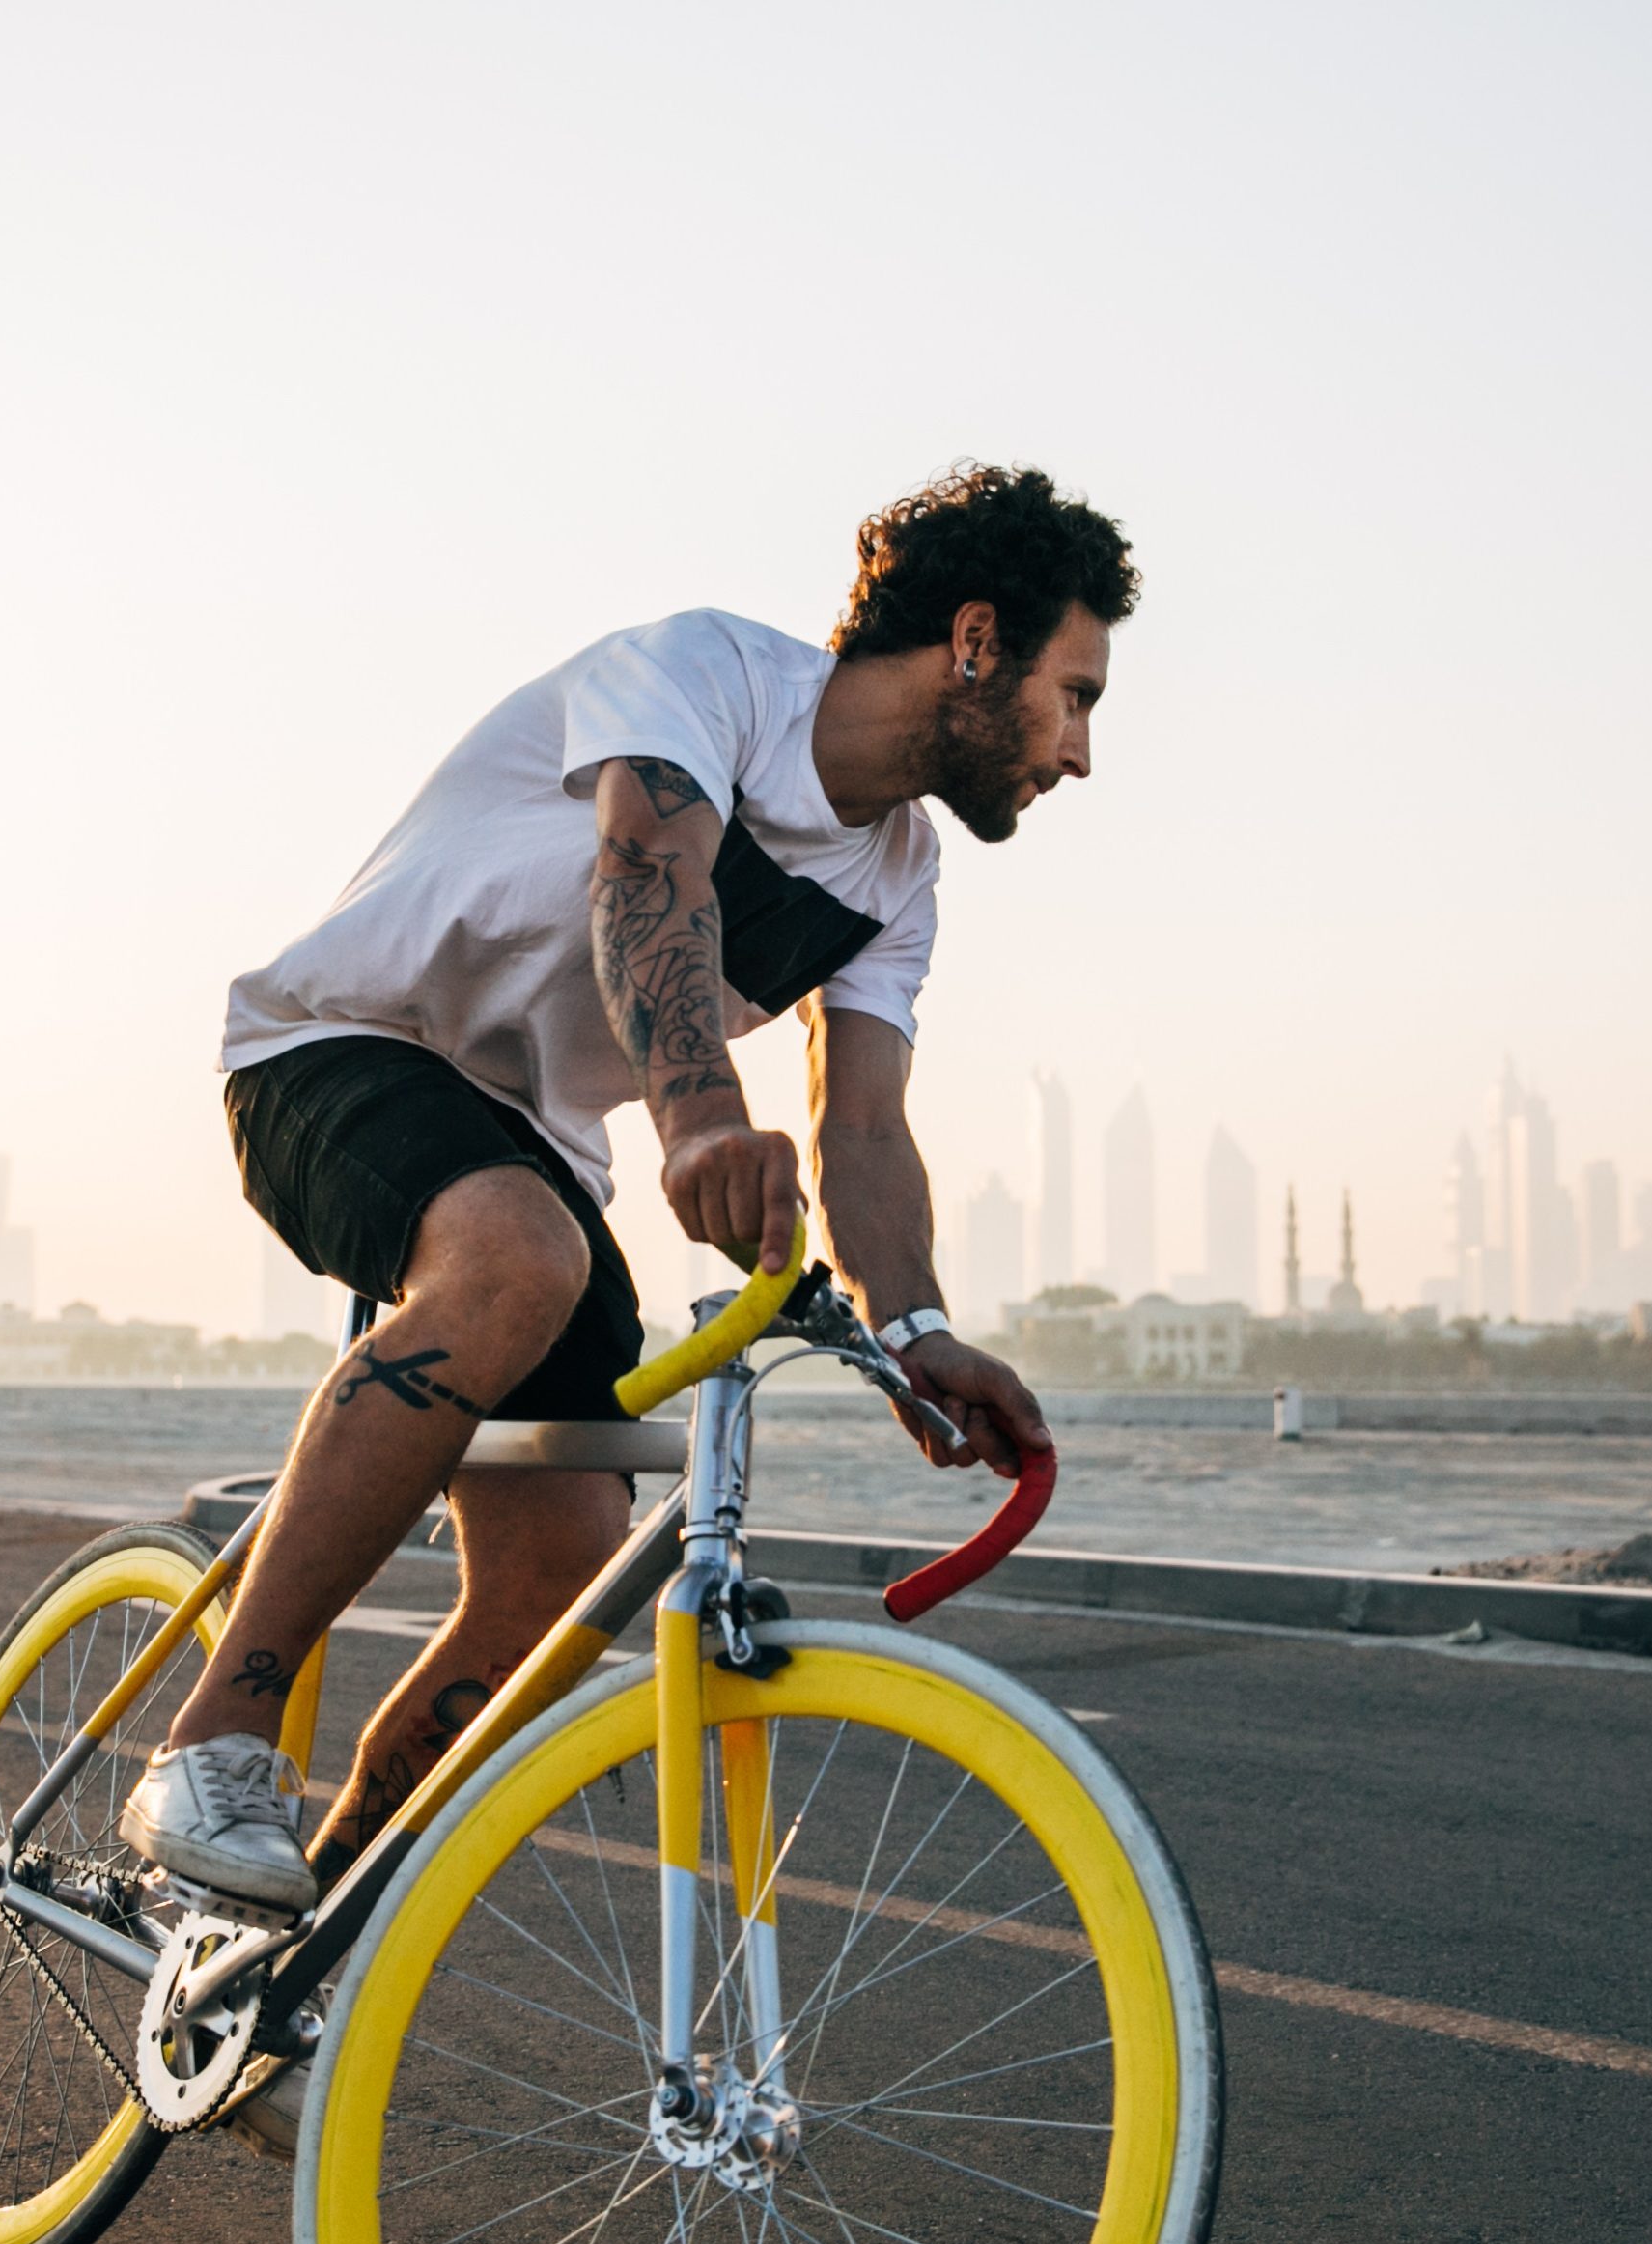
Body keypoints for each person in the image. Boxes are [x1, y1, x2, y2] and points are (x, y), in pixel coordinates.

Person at [119, 463, 1137, 1919]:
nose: (1081, 753)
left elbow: (862, 1132)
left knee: (566, 1579)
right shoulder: (710, 674)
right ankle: (211, 1747)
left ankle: (291, 1943)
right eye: (1077, 694)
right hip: (336, 1051)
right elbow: (646, 883)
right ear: (976, 642)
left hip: (535, 1147)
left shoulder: (898, 878)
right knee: (522, 1258)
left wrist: (915, 1337)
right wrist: (702, 1121)